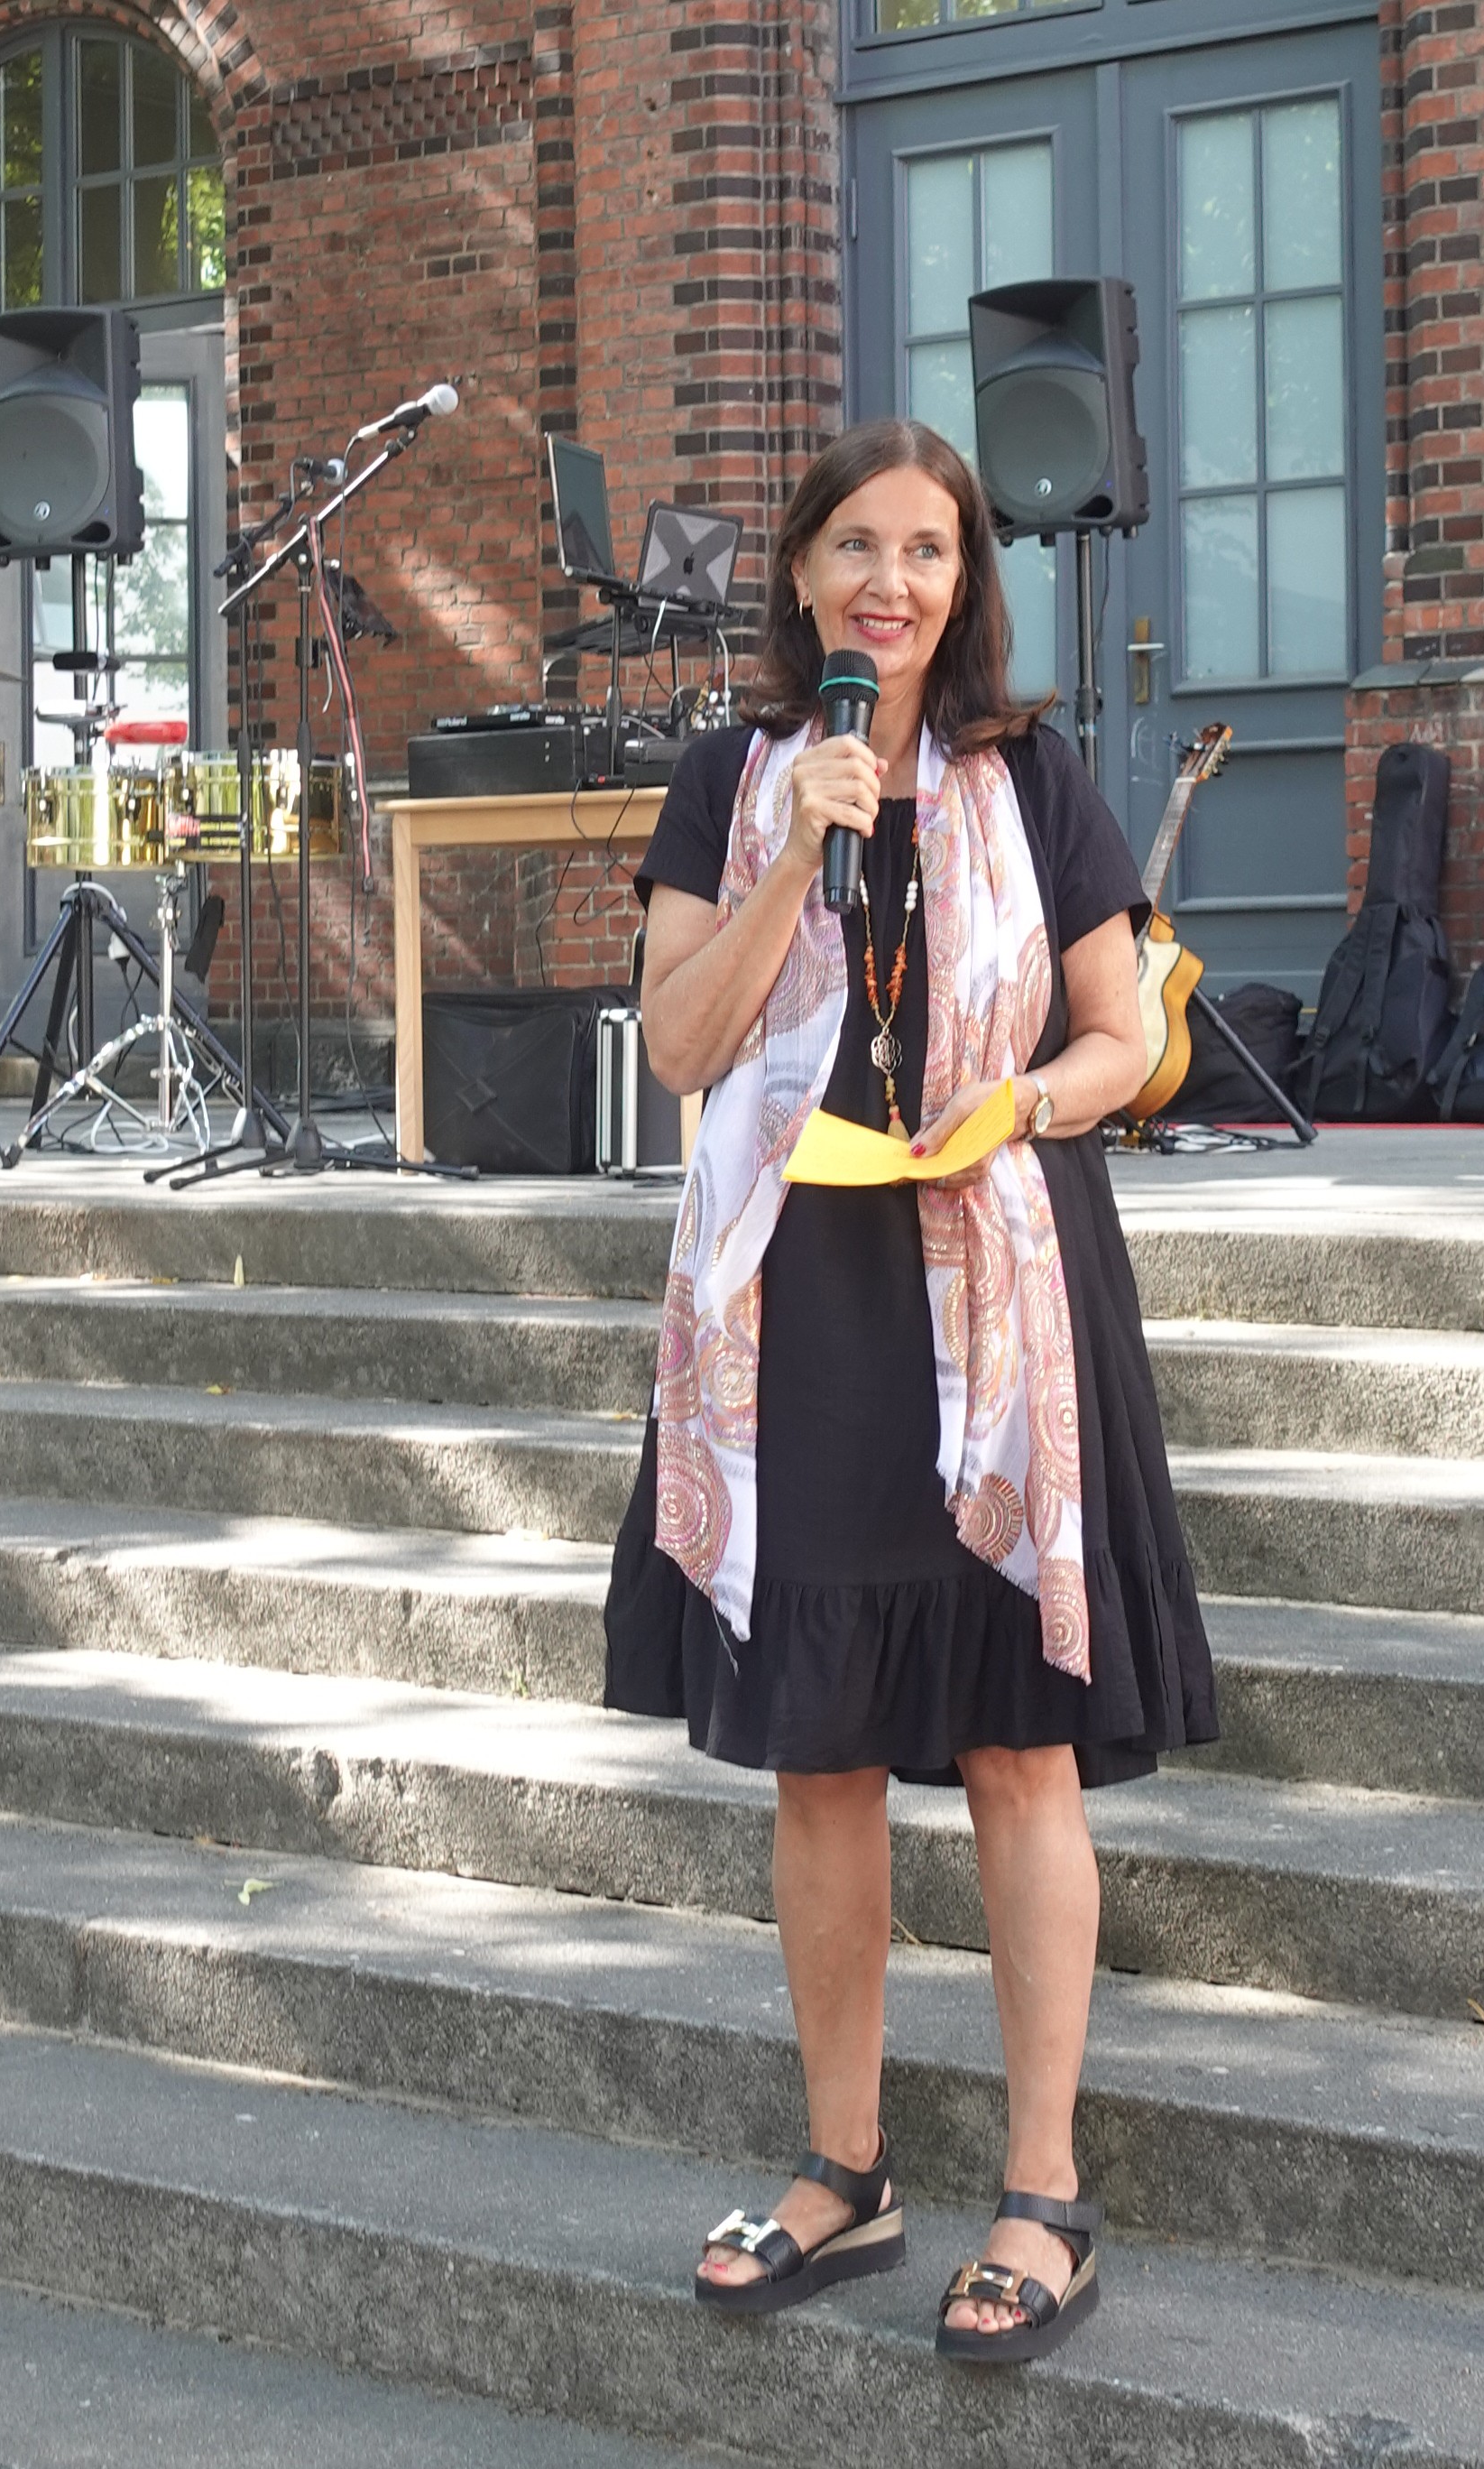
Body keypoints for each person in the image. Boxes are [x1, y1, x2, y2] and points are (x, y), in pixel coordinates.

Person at [604, 419, 1217, 2365]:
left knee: (1023, 1746)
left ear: (966, 584)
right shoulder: (735, 782)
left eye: (927, 550)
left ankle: (1043, 2193)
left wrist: (1016, 1106)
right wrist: (799, 846)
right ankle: (848, 2171)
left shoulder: (1038, 779)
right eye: (855, 547)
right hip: (803, 1307)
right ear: (798, 579)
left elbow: (1128, 1043)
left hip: (1000, 1281)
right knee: (823, 1751)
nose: (890, 581)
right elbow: (685, 1048)